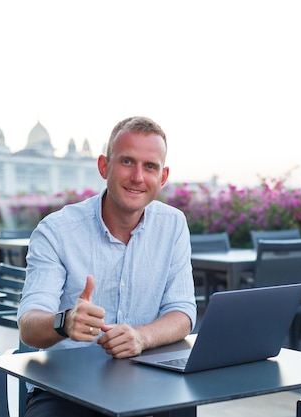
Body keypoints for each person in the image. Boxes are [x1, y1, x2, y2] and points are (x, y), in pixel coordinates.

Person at [17, 116, 197, 417]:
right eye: (127, 162)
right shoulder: (57, 230)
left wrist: (141, 337)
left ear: (162, 177)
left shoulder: (174, 224)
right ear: (104, 166)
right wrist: (65, 322)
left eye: (150, 166)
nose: (138, 177)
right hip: (65, 388)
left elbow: (182, 312)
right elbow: (28, 326)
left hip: (147, 379)